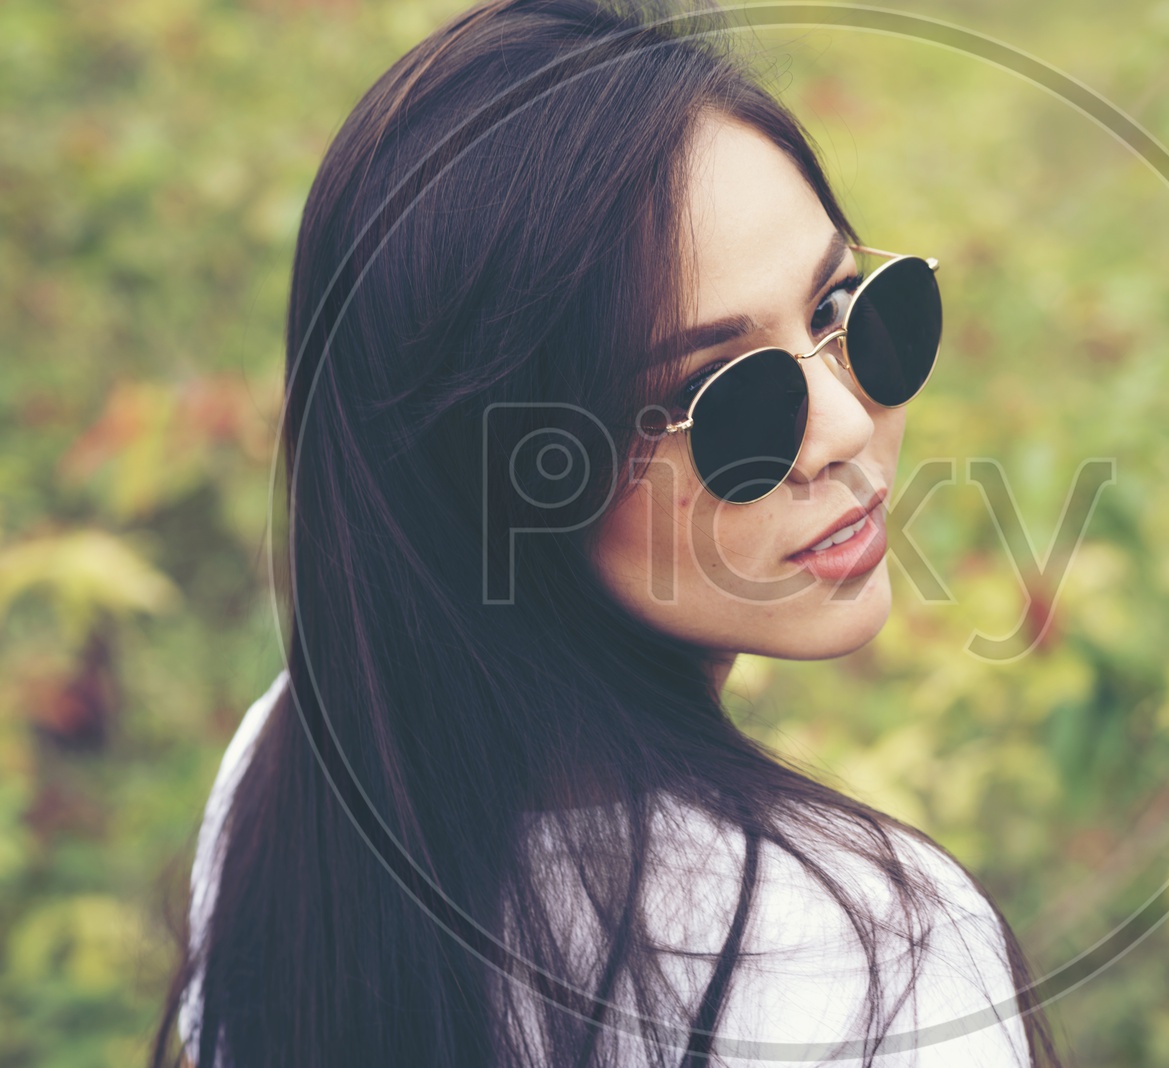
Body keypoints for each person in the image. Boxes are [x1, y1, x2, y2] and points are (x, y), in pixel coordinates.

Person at [150, 2, 1064, 1065]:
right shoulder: (868, 956)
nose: (848, 425)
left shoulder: (295, 772)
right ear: (498, 477)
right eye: (719, 394)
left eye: (840, 305)